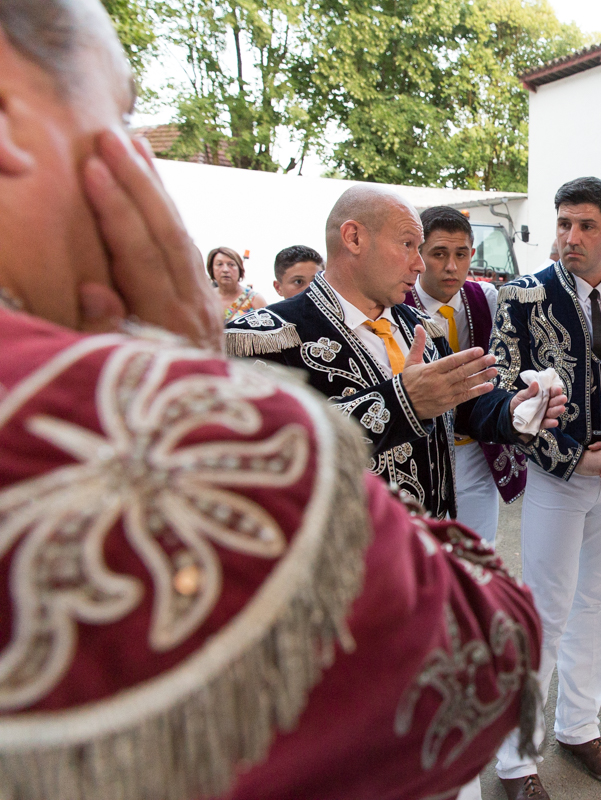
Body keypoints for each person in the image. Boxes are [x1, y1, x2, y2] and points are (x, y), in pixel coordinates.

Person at [0, 3, 543, 800]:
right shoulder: (255, 337)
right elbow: (486, 657)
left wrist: (507, 410)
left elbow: (453, 419)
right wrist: (184, 376)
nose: (143, 163)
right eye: (118, 116)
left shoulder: (419, 319)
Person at [472, 177, 601, 799]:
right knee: (543, 611)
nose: (571, 237)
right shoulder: (523, 295)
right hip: (557, 480)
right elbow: (500, 390)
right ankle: (516, 762)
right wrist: (574, 458)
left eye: (586, 226)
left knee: (593, 605)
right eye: (564, 223)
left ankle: (579, 727)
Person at [225, 185, 564, 521]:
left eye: (419, 249)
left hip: (427, 548)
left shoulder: (420, 324)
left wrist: (511, 411)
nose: (419, 265)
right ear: (354, 238)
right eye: (407, 245)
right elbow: (269, 454)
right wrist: (403, 402)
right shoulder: (266, 337)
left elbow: (458, 404)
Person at [404, 205, 527, 546]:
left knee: (476, 552)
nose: (451, 266)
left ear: (472, 253)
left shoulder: (485, 298)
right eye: (439, 254)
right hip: (422, 451)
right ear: (419, 253)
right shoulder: (398, 304)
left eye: (461, 254)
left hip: (475, 451)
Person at [208, 246, 266, 319]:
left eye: (231, 265)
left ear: (240, 269)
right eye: (219, 264)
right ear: (211, 269)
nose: (225, 270)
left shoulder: (254, 300)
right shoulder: (205, 298)